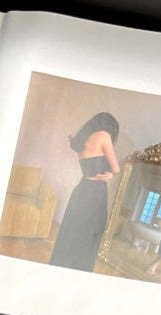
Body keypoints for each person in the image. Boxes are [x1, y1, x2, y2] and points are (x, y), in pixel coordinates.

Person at [48, 112, 121, 272]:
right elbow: (116, 168)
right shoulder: (104, 136)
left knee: (71, 233)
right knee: (89, 236)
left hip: (82, 190)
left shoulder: (83, 140)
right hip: (96, 193)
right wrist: (111, 175)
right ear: (110, 127)